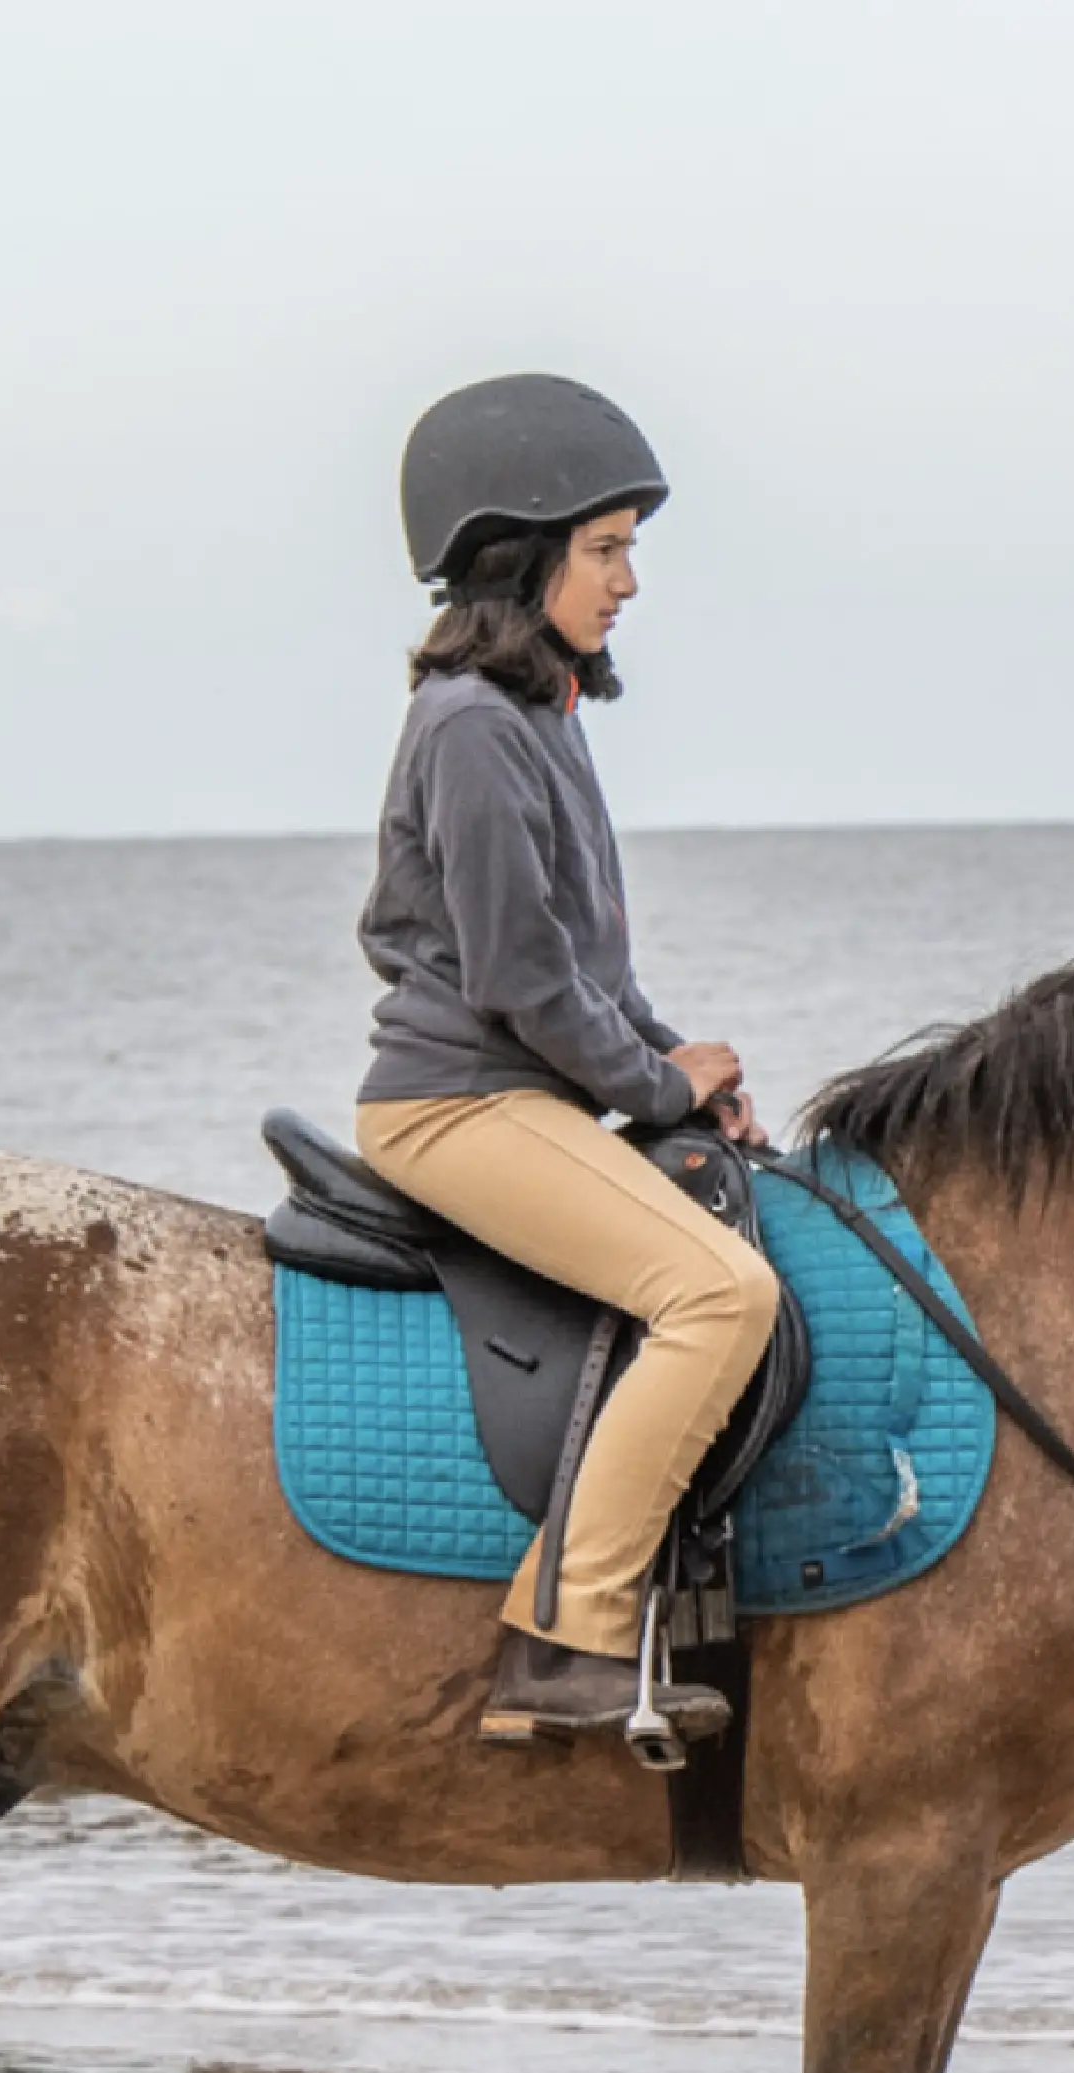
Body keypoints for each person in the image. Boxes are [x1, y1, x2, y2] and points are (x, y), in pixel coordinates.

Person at [352, 373, 776, 1744]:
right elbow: (519, 977)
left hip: (520, 1092)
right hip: (452, 1108)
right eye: (606, 549)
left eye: (629, 548)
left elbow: (585, 965)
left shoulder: (540, 717)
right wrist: (650, 1085)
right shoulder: (473, 725)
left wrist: (675, 1063)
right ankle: (570, 1637)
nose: (629, 581)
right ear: (520, 559)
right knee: (721, 1298)